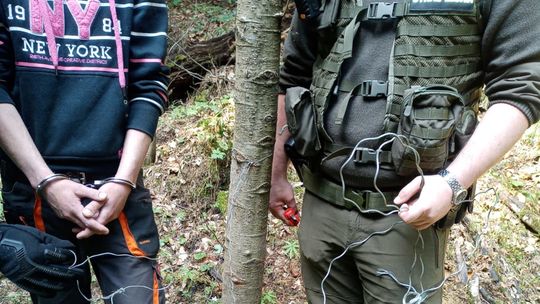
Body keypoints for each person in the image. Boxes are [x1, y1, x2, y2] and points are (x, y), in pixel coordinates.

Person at [269, 0, 540, 303]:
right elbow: (294, 74)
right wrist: (276, 173)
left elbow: (522, 86)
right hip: (320, 205)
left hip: (408, 215)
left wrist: (452, 183)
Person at [0, 0, 169, 302]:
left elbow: (149, 84)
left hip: (117, 188)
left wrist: (123, 182)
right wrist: (46, 182)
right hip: (35, 190)